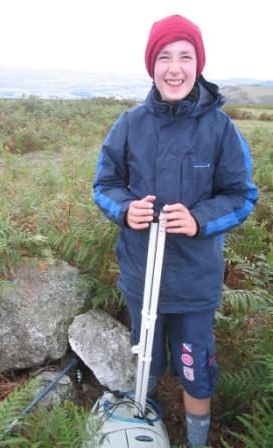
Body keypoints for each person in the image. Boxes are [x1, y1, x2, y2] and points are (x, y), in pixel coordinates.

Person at [93, 14, 257, 448]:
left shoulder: (221, 129)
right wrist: (126, 209)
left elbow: (241, 195)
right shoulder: (129, 124)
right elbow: (104, 184)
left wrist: (199, 219)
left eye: (185, 56)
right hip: (138, 272)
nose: (174, 67)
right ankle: (145, 422)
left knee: (194, 365)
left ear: (198, 64)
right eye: (164, 56)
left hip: (193, 280)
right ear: (152, 65)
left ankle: (197, 439)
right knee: (143, 356)